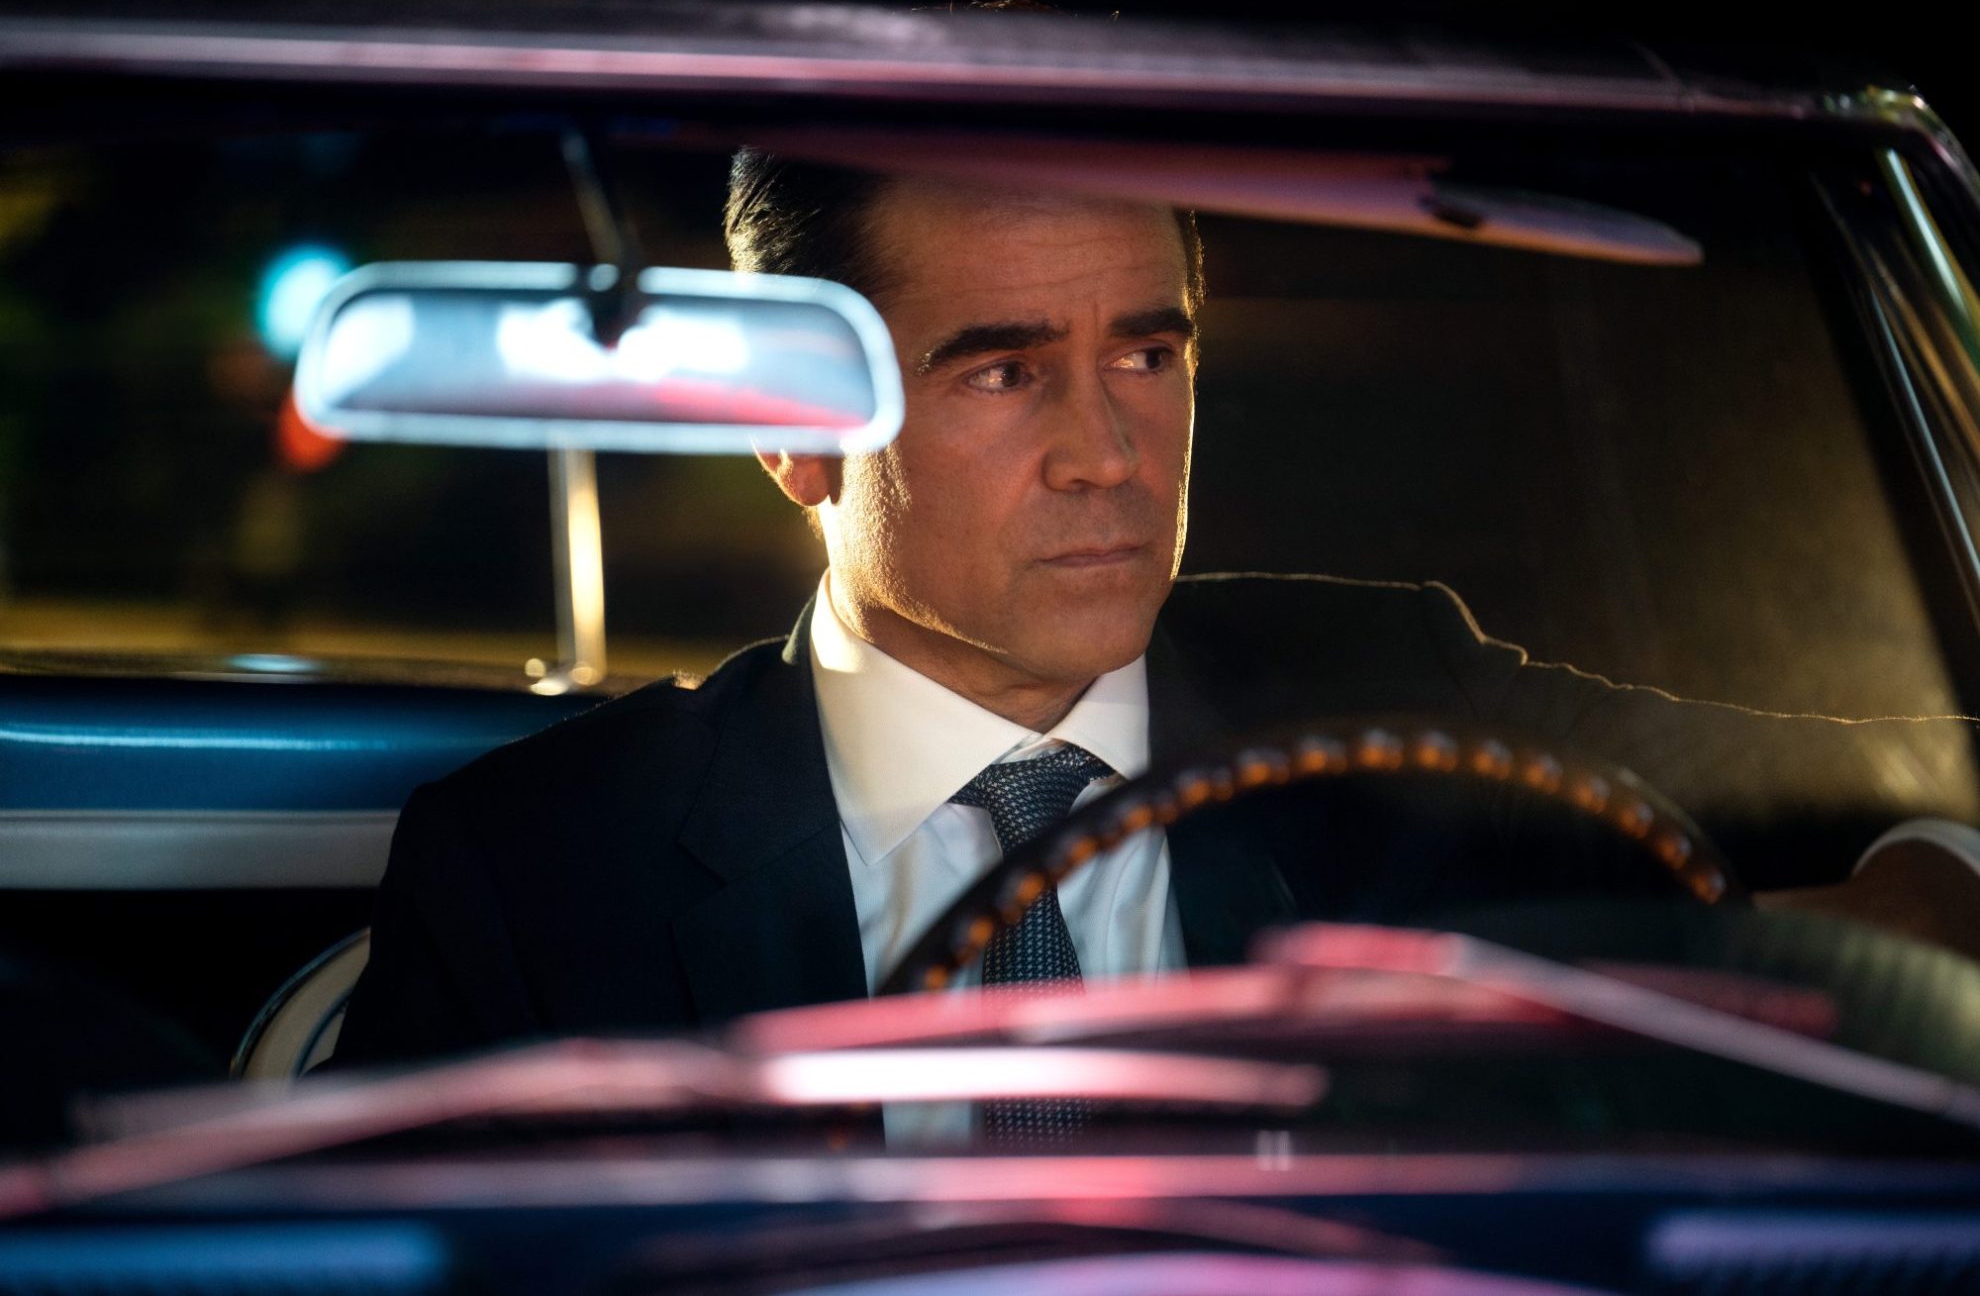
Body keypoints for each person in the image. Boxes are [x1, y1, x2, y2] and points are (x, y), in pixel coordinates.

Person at [334, 152, 1980, 1087]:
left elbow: (1902, 770)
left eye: (1147, 353)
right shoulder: (542, 872)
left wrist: (1910, 894)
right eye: (1002, 371)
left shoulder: (1402, 701)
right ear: (794, 433)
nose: (1109, 453)